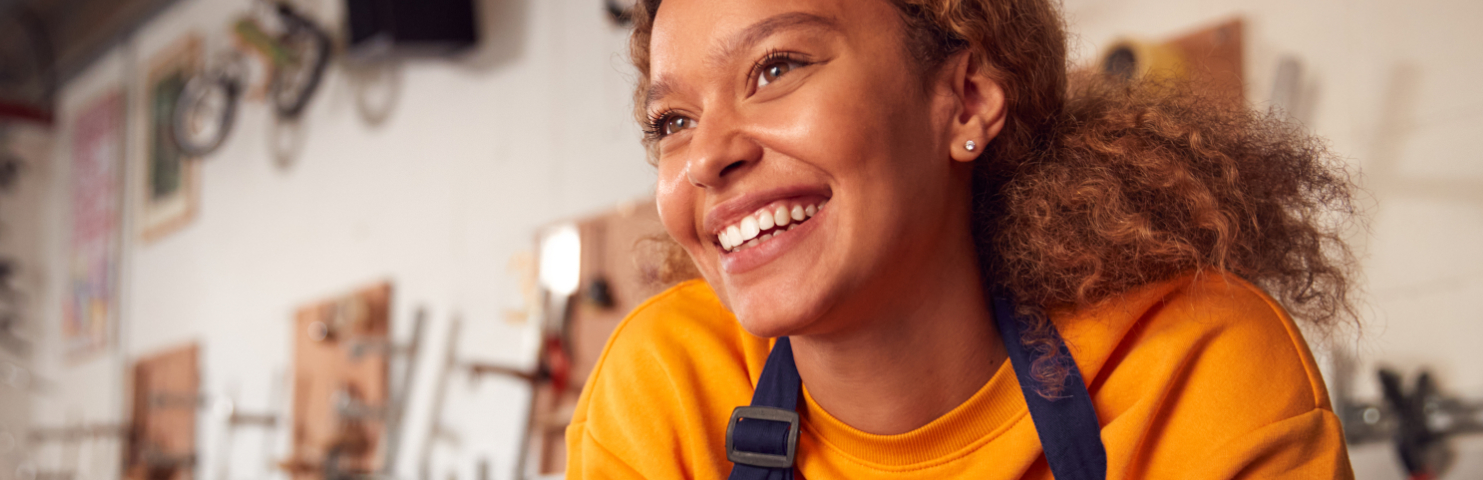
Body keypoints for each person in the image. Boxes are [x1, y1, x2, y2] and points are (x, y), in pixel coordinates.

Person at [566, 0, 1359, 478]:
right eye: (672, 121)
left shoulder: (1191, 364)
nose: (706, 156)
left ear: (968, 100)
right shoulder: (665, 390)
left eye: (776, 68)